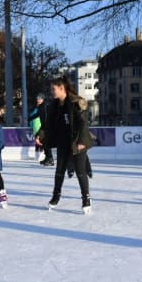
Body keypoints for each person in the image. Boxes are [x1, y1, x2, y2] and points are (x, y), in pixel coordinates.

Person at [35, 76, 94, 214]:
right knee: (59, 171)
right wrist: (40, 134)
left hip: (77, 141)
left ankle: (86, 198)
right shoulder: (53, 106)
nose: (52, 92)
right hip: (63, 141)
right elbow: (47, 124)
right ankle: (56, 196)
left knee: (80, 172)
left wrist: (80, 141)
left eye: (53, 89)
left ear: (62, 88)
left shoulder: (77, 102)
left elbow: (83, 123)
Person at [31, 93, 54, 166]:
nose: (38, 100)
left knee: (45, 142)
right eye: (37, 99)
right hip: (44, 126)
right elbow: (37, 114)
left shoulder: (44, 106)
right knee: (43, 142)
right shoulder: (40, 107)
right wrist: (29, 118)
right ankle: (47, 158)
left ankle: (50, 159)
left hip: (47, 127)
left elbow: (47, 117)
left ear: (43, 99)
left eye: (39, 99)